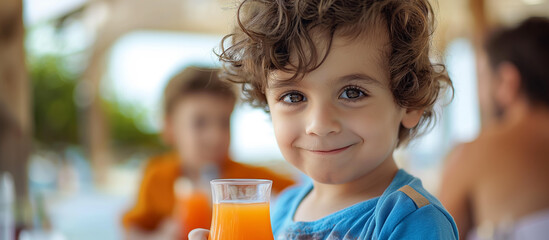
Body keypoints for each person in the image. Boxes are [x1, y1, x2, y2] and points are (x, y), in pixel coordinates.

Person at [189, 0, 458, 239]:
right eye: (294, 97)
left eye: (352, 93)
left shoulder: (411, 221)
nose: (319, 124)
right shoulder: (280, 211)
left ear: (408, 103)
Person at [122, 67, 295, 239]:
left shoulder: (249, 179)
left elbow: (302, 195)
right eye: (200, 123)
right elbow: (132, 230)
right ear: (170, 128)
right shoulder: (157, 176)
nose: (215, 137)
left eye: (223, 122)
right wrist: (162, 235)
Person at [439, 17, 549, 240]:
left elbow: (435, 233)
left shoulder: (476, 154)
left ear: (509, 80)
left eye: (483, 76)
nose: (480, 95)